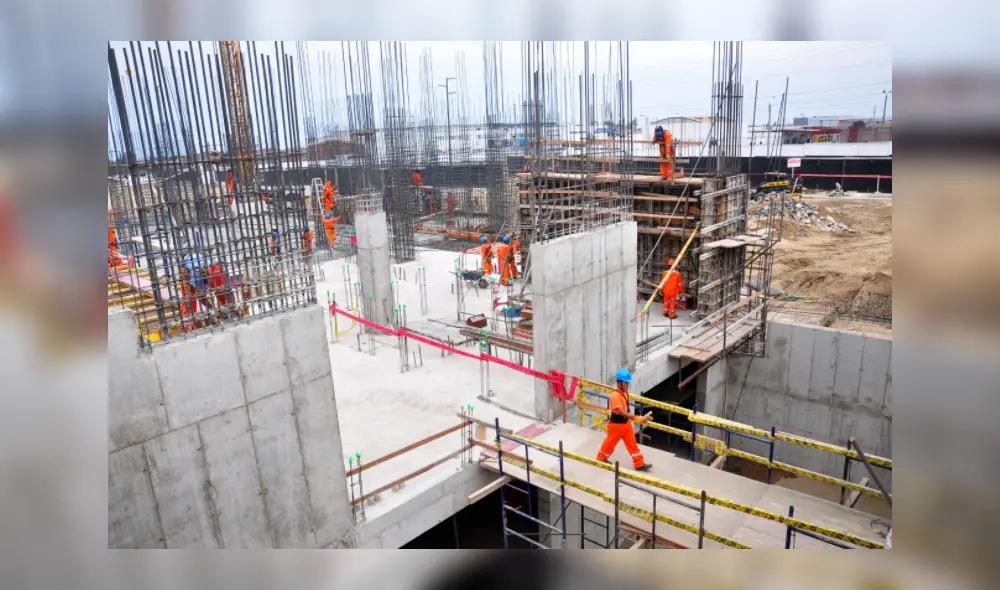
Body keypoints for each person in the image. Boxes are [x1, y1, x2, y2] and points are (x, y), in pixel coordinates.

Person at [596, 368, 652, 471]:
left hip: (626, 424)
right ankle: (601, 458)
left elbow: (625, 409)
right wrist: (635, 417)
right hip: (616, 425)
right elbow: (621, 411)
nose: (628, 385)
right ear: (620, 383)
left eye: (628, 383)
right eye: (626, 383)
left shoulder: (625, 393)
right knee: (610, 443)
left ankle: (639, 464)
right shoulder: (615, 395)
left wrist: (634, 419)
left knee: (633, 444)